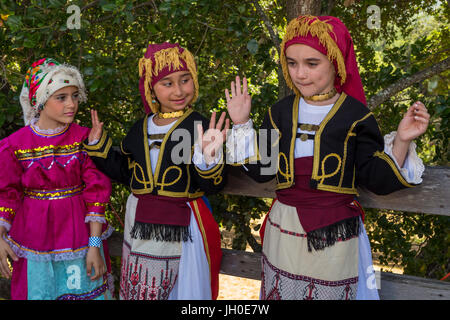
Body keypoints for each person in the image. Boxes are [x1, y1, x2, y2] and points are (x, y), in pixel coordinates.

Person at [224, 15, 429, 300]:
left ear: (336, 63)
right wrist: (241, 123)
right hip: (284, 230)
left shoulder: (356, 116)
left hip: (335, 233)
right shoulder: (279, 112)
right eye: (292, 63)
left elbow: (375, 179)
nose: (300, 74)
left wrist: (403, 139)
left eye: (311, 63)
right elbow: (262, 171)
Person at [85, 42, 228, 300]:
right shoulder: (139, 128)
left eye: (185, 80)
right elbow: (125, 173)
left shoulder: (199, 125)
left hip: (185, 229)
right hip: (139, 223)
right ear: (152, 88)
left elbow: (212, 186)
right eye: (168, 83)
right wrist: (98, 146)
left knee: (182, 290)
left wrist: (208, 158)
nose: (178, 90)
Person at [0, 58, 114, 300]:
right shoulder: (14, 146)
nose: (71, 104)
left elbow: (96, 193)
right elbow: (7, 196)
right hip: (32, 237)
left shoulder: (85, 138)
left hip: (80, 238)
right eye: (61, 97)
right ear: (40, 101)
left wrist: (94, 245)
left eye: (74, 96)